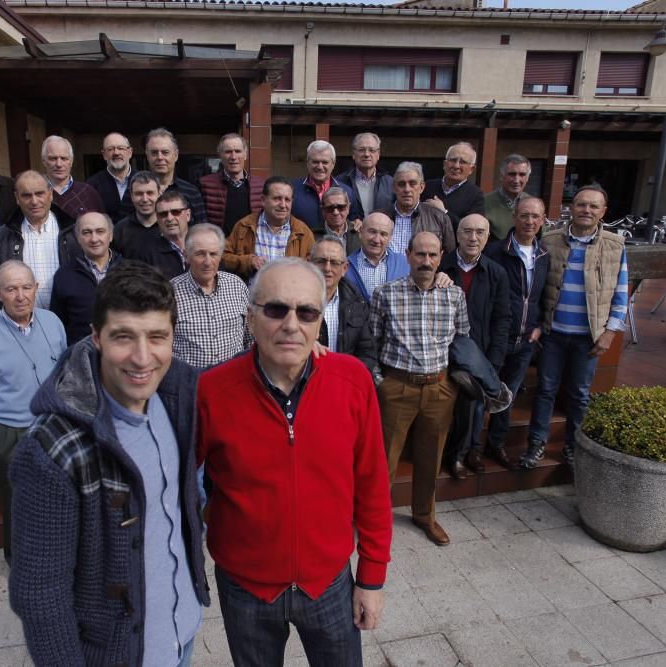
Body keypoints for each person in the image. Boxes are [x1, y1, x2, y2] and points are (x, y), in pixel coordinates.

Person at [9, 261, 209, 666]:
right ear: (96, 337)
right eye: (123, 337)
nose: (142, 357)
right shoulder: (52, 450)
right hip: (120, 655)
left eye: (157, 337)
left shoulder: (176, 394)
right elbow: (40, 594)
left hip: (181, 632)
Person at [197, 258, 392, 666]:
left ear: (320, 322)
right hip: (245, 589)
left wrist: (371, 577)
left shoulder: (352, 380)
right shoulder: (212, 391)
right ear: (250, 319)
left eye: (306, 312)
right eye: (275, 309)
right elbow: (176, 486)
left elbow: (372, 485)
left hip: (329, 584)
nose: (291, 324)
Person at [0, 260, 67, 562]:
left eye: (26, 287)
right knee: (19, 506)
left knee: (61, 499)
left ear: (36, 289)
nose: (20, 295)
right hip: (11, 434)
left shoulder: (52, 322)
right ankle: (22, 565)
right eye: (11, 289)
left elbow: (66, 376)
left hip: (55, 428)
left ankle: (61, 560)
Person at [518, 185, 628, 470]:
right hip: (553, 333)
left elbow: (620, 292)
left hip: (588, 337)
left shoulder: (615, 245)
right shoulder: (551, 240)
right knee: (545, 389)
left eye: (593, 207)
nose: (586, 211)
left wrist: (610, 332)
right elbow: (539, 286)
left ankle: (572, 446)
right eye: (581, 205)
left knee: (579, 393)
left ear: (603, 211)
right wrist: (538, 325)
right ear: (571, 208)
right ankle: (536, 443)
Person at [370, 231, 469, 546]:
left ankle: (424, 515)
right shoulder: (385, 294)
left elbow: (462, 340)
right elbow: (370, 343)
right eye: (420, 255)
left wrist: (452, 383)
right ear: (408, 255)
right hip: (397, 387)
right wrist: (380, 383)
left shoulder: (453, 295)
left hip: (439, 388)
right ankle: (374, 521)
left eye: (432, 256)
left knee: (431, 458)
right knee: (384, 460)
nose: (426, 262)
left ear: (441, 258)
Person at [439, 215, 511, 479]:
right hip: (444, 349)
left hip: (480, 351)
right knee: (455, 403)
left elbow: (503, 318)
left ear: (487, 237)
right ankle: (454, 453)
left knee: (473, 402)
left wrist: (495, 358)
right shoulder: (441, 266)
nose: (473, 238)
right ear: (457, 235)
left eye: (480, 233)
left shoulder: (496, 273)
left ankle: (469, 452)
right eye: (467, 232)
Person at [483, 197, 550, 470]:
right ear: (514, 217)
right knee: (483, 394)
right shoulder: (496, 252)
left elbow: (547, 293)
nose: (529, 221)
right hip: (496, 338)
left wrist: (539, 327)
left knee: (507, 397)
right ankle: (471, 448)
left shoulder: (544, 255)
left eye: (535, 216)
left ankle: (496, 443)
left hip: (525, 341)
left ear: (543, 220)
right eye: (524, 215)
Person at [0, 171, 74, 313]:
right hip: (20, 322)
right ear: (17, 198)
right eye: (26, 195)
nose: (34, 201)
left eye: (39, 194)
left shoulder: (73, 233)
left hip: (66, 321)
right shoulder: (2, 237)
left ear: (50, 194)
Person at [171, 223, 251, 368]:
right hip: (190, 386)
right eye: (200, 254)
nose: (208, 262)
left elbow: (250, 337)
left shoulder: (237, 286)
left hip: (232, 381)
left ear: (220, 256)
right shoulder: (171, 293)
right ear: (186, 256)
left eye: (213, 254)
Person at [221, 177, 314, 281]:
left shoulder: (303, 232)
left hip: (289, 295)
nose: (283, 205)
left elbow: (315, 265)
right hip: (251, 295)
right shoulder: (244, 226)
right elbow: (222, 256)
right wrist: (248, 262)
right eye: (277, 199)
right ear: (263, 200)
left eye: (287, 200)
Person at [50, 211, 122, 344]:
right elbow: (58, 324)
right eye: (87, 232)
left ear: (110, 235)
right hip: (81, 354)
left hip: (123, 350)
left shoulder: (131, 271)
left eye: (100, 231)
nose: (94, 239)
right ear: (78, 238)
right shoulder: (64, 275)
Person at [310, 236, 377, 373]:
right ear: (310, 264)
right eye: (321, 261)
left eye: (334, 263)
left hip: (345, 382)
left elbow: (367, 353)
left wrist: (348, 381)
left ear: (344, 269)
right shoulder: (293, 302)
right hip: (306, 385)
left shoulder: (358, 304)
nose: (327, 268)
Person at [378, 161, 455, 256]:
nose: (407, 189)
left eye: (412, 183)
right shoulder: (379, 217)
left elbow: (450, 255)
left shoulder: (439, 218)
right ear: (394, 188)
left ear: (422, 187)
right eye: (401, 184)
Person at [199, 133, 265, 235]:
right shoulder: (205, 184)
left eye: (238, 151)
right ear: (220, 155)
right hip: (219, 247)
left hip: (251, 247)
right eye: (228, 152)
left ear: (245, 155)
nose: (233, 157)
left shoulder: (261, 185)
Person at [290, 140, 360, 232]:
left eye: (325, 162)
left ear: (333, 164)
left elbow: (353, 223)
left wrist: (357, 222)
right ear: (307, 163)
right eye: (315, 162)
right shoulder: (292, 190)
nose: (319, 166)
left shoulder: (347, 192)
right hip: (303, 245)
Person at [144, 127, 207, 224]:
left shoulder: (192, 192)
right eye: (154, 153)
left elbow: (201, 231)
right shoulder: (137, 192)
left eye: (165, 152)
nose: (160, 157)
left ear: (176, 155)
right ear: (147, 156)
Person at [41, 135, 105, 228]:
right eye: (53, 158)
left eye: (64, 158)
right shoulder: (34, 194)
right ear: (44, 161)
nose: (59, 164)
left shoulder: (89, 193)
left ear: (71, 161)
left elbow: (102, 229)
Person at [345, 212, 409, 303]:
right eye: (372, 232)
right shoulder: (345, 266)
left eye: (383, 234)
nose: (376, 240)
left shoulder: (404, 264)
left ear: (390, 238)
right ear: (360, 232)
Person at [421, 142, 486, 228]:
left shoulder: (476, 195)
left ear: (471, 169)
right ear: (444, 164)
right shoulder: (426, 186)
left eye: (462, 162)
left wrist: (444, 212)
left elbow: (470, 229)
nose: (456, 166)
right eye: (453, 160)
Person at [334, 132, 393, 217]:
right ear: (353, 154)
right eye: (362, 150)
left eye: (372, 150)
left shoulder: (391, 183)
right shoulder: (339, 183)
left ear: (378, 154)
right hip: (352, 230)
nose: (366, 154)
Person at [135, 190, 190, 280]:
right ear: (157, 218)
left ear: (188, 215)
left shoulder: (204, 244)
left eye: (175, 212)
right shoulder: (146, 253)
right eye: (163, 214)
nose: (169, 218)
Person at [86, 132, 135, 222]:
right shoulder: (92, 185)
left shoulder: (144, 180)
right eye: (110, 149)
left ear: (130, 152)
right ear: (104, 155)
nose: (116, 152)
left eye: (121, 148)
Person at [112, 170, 162, 257]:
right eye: (139, 194)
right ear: (131, 196)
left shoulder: (169, 226)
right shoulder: (120, 230)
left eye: (150, 193)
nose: (145, 199)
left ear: (159, 194)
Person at [485, 154, 532, 242]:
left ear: (527, 178)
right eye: (512, 174)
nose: (516, 180)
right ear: (502, 176)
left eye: (522, 175)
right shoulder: (484, 202)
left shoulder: (533, 204)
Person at [318, 187, 362, 255]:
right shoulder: (313, 237)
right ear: (323, 210)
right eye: (330, 208)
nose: (336, 212)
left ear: (348, 208)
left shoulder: (360, 232)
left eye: (341, 207)